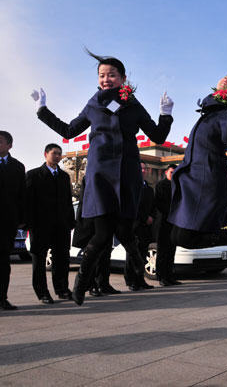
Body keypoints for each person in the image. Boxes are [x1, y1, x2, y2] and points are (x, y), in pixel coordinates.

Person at [31, 51, 173, 305]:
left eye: (111, 75)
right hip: (100, 174)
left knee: (127, 231)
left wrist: (166, 115)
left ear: (123, 78)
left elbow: (158, 136)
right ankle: (81, 284)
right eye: (102, 75)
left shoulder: (132, 104)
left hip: (127, 171)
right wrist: (43, 110)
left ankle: (136, 269)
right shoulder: (93, 104)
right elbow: (69, 130)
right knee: (102, 234)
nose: (106, 79)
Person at [168, 72, 227, 271]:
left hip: (208, 177)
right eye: (225, 77)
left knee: (187, 238)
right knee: (176, 237)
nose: (226, 80)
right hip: (191, 177)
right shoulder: (209, 111)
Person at [25, 143, 75, 303]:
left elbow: (68, 201)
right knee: (39, 260)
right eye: (54, 153)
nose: (58, 156)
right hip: (40, 225)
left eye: (60, 153)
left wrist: (70, 222)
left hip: (61, 225)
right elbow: (28, 202)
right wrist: (29, 223)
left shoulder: (64, 176)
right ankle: (42, 292)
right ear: (46, 154)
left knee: (62, 258)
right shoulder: (33, 175)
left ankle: (62, 289)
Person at [71, 176, 121, 297]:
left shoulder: (111, 177)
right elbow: (85, 200)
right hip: (91, 221)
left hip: (106, 220)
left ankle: (104, 284)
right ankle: (92, 285)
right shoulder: (89, 178)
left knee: (105, 255)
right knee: (92, 257)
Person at [0, 131, 25, 310]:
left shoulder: (17, 167)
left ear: (9, 145)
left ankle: (2, 297)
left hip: (7, 222)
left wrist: (21, 219)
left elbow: (22, 195)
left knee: (3, 262)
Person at [126, 162, 155, 291]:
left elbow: (153, 206)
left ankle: (140, 280)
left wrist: (151, 217)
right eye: (140, 168)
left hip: (146, 227)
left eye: (145, 169)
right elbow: (132, 206)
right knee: (133, 254)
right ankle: (131, 280)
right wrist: (144, 217)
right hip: (134, 226)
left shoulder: (148, 188)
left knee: (143, 255)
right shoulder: (131, 186)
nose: (143, 171)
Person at [155, 164, 180, 286]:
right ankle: (161, 277)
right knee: (162, 251)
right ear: (166, 173)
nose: (173, 174)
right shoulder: (160, 185)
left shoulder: (177, 186)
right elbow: (159, 204)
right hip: (163, 222)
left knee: (171, 250)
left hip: (174, 222)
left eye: (175, 172)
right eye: (171, 172)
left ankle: (170, 276)